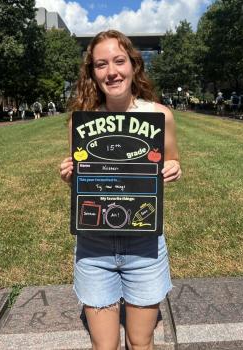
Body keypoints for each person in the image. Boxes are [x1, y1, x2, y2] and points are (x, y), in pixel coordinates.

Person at [59, 30, 181, 350]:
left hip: (144, 244)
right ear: (93, 73)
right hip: (94, 246)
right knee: (105, 346)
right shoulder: (81, 123)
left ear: (133, 64)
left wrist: (173, 168)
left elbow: (172, 159)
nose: (111, 71)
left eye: (118, 61)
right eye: (101, 64)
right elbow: (86, 177)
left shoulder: (159, 116)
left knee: (141, 342)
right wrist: (72, 175)